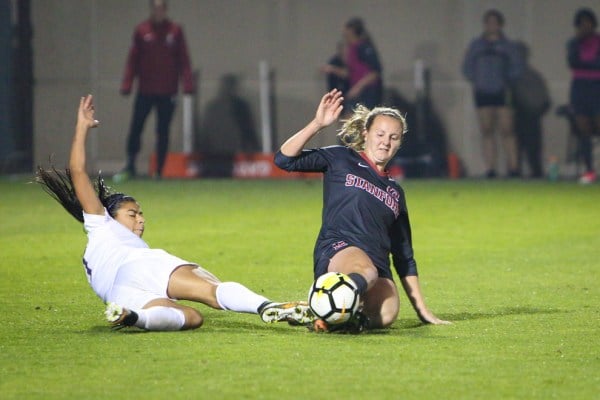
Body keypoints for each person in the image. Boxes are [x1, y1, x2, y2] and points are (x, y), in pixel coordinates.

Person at [36, 95, 311, 331]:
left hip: (121, 295)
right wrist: (82, 128)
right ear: (110, 214)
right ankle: (267, 306)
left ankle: (135, 317)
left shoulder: (94, 252)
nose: (141, 219)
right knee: (211, 291)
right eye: (132, 213)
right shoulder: (100, 223)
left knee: (192, 318)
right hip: (140, 267)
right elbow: (78, 173)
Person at [274, 89, 449, 331]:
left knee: (387, 314)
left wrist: (423, 311)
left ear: (399, 142)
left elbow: (404, 257)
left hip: (376, 264)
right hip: (340, 248)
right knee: (364, 270)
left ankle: (327, 315)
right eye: (380, 134)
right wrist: (317, 124)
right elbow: (284, 160)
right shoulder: (341, 158)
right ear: (366, 133)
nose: (385, 142)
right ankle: (324, 301)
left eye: (394, 137)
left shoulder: (395, 193)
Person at [115, 0, 194, 181]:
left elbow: (184, 59)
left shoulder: (175, 31)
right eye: (155, 8)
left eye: (161, 8)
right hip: (145, 90)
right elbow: (133, 59)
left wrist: (188, 84)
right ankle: (130, 165)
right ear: (151, 9)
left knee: (163, 131)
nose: (158, 11)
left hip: (168, 91)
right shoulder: (142, 31)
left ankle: (159, 170)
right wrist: (127, 83)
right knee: (136, 127)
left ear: (165, 10)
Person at [462, 9, 524, 178]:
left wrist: (506, 81)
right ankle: (490, 168)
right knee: (487, 130)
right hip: (482, 93)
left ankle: (513, 168)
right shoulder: (477, 45)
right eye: (489, 22)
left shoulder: (508, 46)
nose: (492, 25)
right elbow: (467, 67)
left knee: (507, 130)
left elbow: (517, 68)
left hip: (503, 92)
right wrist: (478, 81)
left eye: (495, 22)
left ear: (500, 24)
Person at [567, 8, 600, 184]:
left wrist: (588, 64)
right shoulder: (573, 43)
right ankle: (589, 171)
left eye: (588, 22)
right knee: (583, 129)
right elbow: (573, 61)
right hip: (579, 88)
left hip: (597, 87)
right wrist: (590, 63)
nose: (585, 26)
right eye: (581, 23)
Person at [511, 41, 551, 179]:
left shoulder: (525, 76)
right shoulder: (533, 75)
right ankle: (531, 173)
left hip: (526, 115)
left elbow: (545, 100)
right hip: (529, 115)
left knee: (526, 147)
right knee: (526, 147)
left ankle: (524, 173)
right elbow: (546, 101)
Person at [341, 17, 383, 110]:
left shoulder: (364, 48)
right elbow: (349, 72)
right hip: (355, 90)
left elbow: (374, 72)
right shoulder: (351, 48)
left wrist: (358, 88)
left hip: (367, 91)